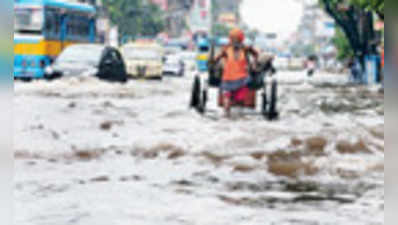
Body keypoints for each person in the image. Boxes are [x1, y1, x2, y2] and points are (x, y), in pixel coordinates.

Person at [210, 28, 259, 117]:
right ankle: (235, 114)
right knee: (238, 99)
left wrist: (213, 62)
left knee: (227, 97)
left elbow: (216, 59)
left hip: (229, 78)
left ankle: (227, 114)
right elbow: (256, 54)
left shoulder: (228, 48)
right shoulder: (242, 48)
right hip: (240, 79)